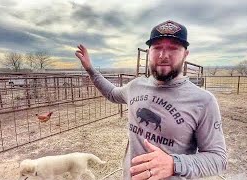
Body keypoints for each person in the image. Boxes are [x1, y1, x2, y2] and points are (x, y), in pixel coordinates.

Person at [75, 20, 227, 180]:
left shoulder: (203, 101)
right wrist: (91, 69)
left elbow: (218, 159)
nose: (163, 55)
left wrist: (174, 164)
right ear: (149, 52)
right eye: (157, 47)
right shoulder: (135, 86)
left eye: (173, 48)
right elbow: (112, 93)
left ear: (185, 54)